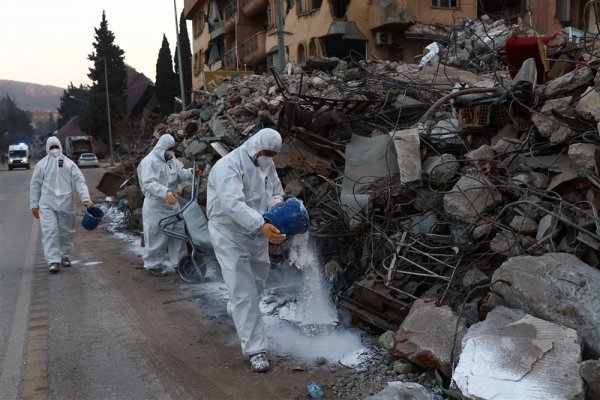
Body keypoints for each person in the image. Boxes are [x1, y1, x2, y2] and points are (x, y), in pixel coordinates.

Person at [206, 128, 286, 373]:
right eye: (266, 152)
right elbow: (232, 204)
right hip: (229, 234)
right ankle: (256, 350)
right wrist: (262, 225)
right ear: (255, 146)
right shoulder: (227, 166)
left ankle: (239, 309)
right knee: (243, 291)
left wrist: (278, 206)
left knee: (258, 281)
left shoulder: (267, 164)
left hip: (257, 231)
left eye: (273, 154)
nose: (268, 157)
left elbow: (275, 192)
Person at [137, 133, 200, 277]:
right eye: (170, 149)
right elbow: (148, 183)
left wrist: (191, 172)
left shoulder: (171, 159)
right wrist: (165, 192)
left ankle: (180, 263)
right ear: (162, 148)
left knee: (178, 235)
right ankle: (154, 265)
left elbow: (179, 174)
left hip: (172, 204)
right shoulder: (150, 162)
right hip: (156, 206)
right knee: (156, 237)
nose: (172, 152)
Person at [30, 136, 94, 273]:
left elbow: (79, 182)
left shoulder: (69, 164)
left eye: (56, 147)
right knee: (50, 231)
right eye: (52, 147)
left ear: (60, 147)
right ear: (47, 148)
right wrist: (34, 205)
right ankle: (53, 261)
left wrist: (86, 200)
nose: (54, 150)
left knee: (66, 232)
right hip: (47, 203)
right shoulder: (41, 165)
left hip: (66, 202)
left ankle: (65, 256)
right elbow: (35, 185)